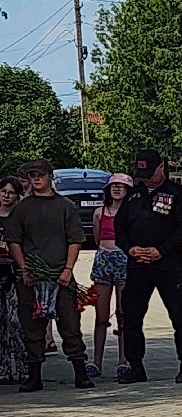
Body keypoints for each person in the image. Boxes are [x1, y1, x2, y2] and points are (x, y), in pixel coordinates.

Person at [7, 159, 92, 392]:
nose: (36, 179)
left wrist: (67, 269)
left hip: (60, 276)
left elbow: (75, 240)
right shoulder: (22, 209)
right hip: (31, 277)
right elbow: (14, 241)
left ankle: (80, 373)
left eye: (40, 175)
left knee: (70, 325)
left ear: (50, 177)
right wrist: (24, 270)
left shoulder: (65, 206)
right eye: (32, 175)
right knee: (32, 327)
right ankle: (34, 376)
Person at [116, 149, 182, 384]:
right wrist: (130, 248)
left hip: (168, 265)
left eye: (150, 172)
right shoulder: (133, 195)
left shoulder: (178, 194)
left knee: (179, 313)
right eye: (142, 174)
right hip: (137, 264)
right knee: (131, 315)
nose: (147, 178)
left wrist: (161, 250)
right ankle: (135, 365)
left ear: (162, 167)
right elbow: (119, 228)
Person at [86, 173, 132, 380]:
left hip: (124, 259)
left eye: (121, 186)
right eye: (113, 186)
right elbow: (97, 238)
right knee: (100, 314)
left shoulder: (131, 212)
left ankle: (124, 360)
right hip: (104, 259)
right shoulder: (99, 213)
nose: (117, 189)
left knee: (124, 313)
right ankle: (96, 361)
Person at [0, 175, 26, 384]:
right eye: (3, 192)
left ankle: (21, 365)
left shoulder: (21, 217)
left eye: (11, 193)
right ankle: (3, 367)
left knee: (15, 321)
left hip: (15, 272)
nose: (7, 196)